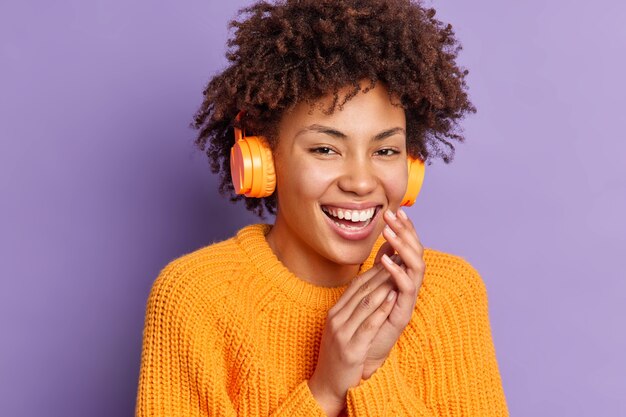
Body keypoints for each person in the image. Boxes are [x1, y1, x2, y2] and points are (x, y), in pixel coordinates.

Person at [134, 0, 509, 416]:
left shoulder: (449, 295)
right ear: (262, 157)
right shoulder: (195, 298)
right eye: (326, 149)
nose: (362, 182)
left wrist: (370, 371)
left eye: (385, 150)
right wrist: (325, 391)